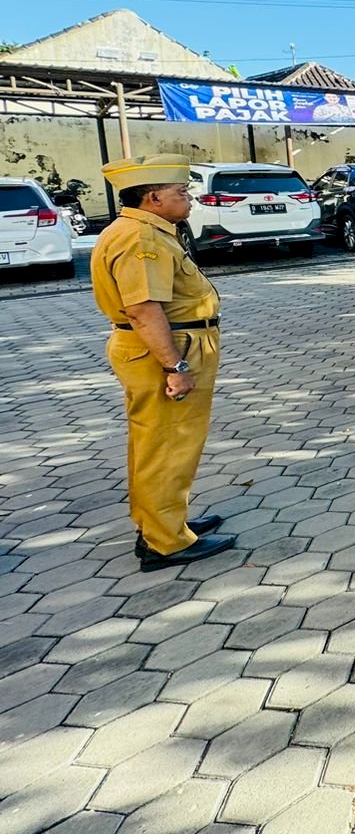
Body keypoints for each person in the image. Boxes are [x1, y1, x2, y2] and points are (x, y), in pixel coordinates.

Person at [90, 155, 236, 570]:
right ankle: (164, 541)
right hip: (168, 350)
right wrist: (175, 367)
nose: (188, 199)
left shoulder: (144, 230)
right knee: (169, 445)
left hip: (165, 345)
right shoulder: (141, 238)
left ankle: (163, 521)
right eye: (181, 193)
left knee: (157, 443)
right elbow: (142, 308)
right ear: (154, 197)